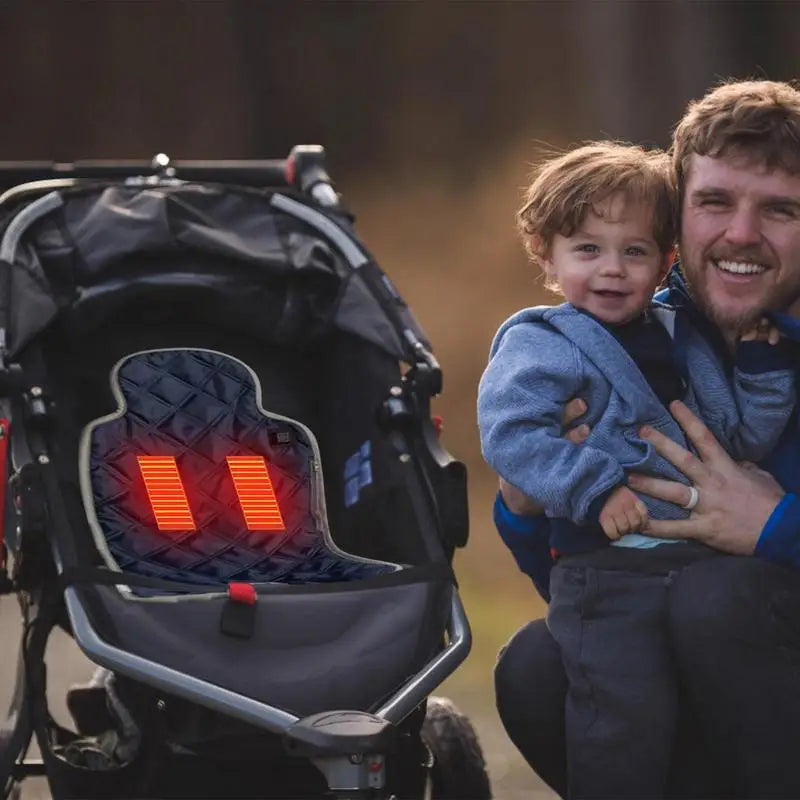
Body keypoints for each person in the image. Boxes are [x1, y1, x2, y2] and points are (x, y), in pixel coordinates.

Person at [492, 78, 800, 799]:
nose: (741, 235)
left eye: (781, 210)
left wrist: (776, 526)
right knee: (540, 665)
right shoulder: (625, 335)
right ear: (676, 221)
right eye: (715, 202)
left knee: (718, 601)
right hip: (684, 644)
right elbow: (579, 581)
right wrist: (525, 501)